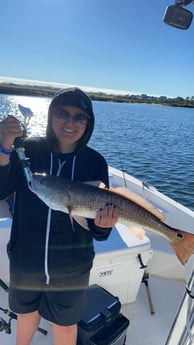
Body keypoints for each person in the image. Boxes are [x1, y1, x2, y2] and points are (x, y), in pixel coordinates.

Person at [0, 87, 119, 345]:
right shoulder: (28, 150)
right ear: (51, 114)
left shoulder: (95, 162)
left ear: (88, 123)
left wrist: (103, 226)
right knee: (25, 315)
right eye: (63, 114)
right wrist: (4, 147)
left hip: (72, 267)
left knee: (65, 326)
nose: (70, 122)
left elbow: (98, 230)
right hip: (25, 258)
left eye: (79, 117)